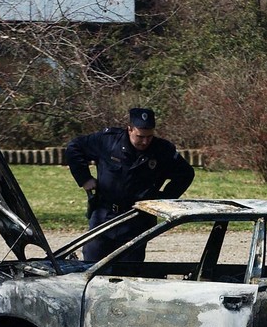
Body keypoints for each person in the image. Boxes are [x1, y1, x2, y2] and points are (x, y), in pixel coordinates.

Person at [66, 107, 195, 261]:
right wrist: (84, 178)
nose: (145, 141)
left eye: (149, 136)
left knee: (128, 271)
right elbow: (74, 148)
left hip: (137, 220)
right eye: (140, 136)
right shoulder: (108, 141)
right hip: (105, 216)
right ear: (130, 129)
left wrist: (163, 199)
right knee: (92, 265)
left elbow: (186, 174)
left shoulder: (162, 150)